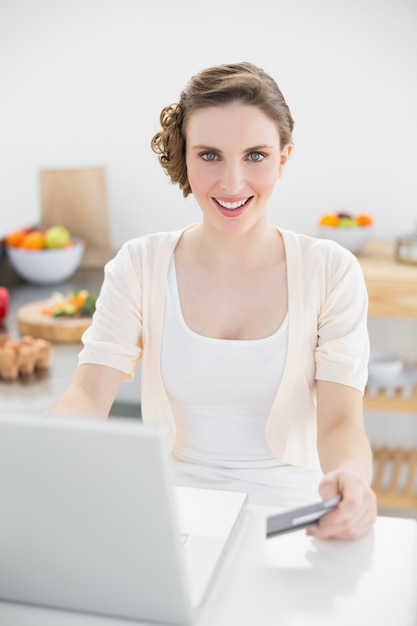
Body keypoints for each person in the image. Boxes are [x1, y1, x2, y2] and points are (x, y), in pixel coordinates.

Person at [51, 61, 377, 541]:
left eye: (256, 155)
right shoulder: (139, 264)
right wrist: (48, 458)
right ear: (184, 156)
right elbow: (87, 394)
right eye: (209, 155)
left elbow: (340, 419)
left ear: (284, 158)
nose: (231, 182)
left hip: (296, 516)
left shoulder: (331, 271)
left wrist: (352, 478)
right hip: (174, 514)